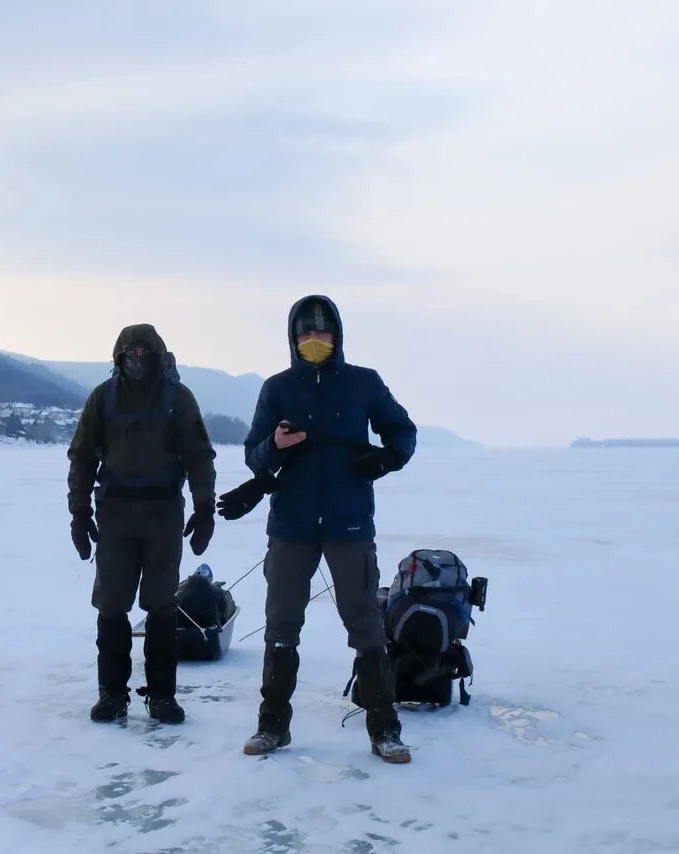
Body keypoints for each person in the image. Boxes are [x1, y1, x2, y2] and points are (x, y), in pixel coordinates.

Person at [227, 295, 417, 763]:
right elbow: (253, 453)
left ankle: (384, 730)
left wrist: (386, 457)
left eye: (323, 332)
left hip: (349, 522)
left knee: (364, 623)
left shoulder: (363, 384)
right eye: (305, 333)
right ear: (293, 339)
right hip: (291, 524)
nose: (314, 340)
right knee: (281, 625)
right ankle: (272, 726)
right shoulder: (276, 388)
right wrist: (274, 443)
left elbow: (403, 432)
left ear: (338, 336)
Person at [67, 324, 217, 725]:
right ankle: (112, 694)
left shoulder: (178, 399)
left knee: (162, 605)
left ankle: (162, 696)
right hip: (114, 514)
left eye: (142, 352)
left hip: (163, 515)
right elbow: (81, 457)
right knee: (112, 605)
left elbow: (199, 455)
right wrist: (79, 513)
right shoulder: (102, 398)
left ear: (156, 354)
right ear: (118, 356)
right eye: (128, 352)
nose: (136, 358)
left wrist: (205, 508)